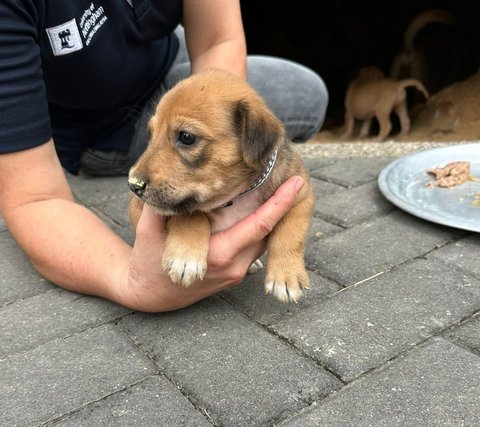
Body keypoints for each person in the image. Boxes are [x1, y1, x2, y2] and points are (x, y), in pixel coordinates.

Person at [0, 0, 328, 312]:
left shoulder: (256, 139)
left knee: (306, 92)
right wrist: (129, 281)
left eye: (186, 138)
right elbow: (34, 199)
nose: (137, 175)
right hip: (99, 123)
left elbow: (218, 40)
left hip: (160, 57)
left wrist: (216, 116)